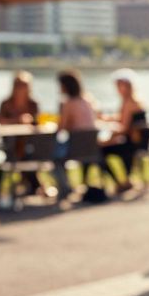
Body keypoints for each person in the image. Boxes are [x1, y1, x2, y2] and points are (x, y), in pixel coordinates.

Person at [99, 68, 148, 194]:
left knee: (99, 151)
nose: (117, 89)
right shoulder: (136, 100)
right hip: (139, 143)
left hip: (133, 145)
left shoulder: (128, 103)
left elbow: (123, 128)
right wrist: (106, 119)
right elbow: (123, 120)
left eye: (119, 86)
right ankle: (126, 180)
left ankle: (121, 182)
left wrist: (106, 141)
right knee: (106, 147)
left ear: (126, 86)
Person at [52, 69, 98, 201]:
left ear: (65, 86)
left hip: (77, 147)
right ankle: (68, 187)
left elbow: (61, 128)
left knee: (54, 156)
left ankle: (65, 188)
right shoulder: (87, 99)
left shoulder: (68, 103)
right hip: (92, 147)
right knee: (59, 151)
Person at [0, 70, 45, 196]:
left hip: (29, 142)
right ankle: (37, 185)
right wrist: (17, 120)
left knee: (27, 151)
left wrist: (30, 121)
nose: (21, 88)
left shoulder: (33, 104)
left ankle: (31, 184)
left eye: (24, 85)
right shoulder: (6, 103)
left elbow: (38, 123)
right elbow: (0, 121)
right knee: (22, 151)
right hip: (10, 142)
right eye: (19, 85)